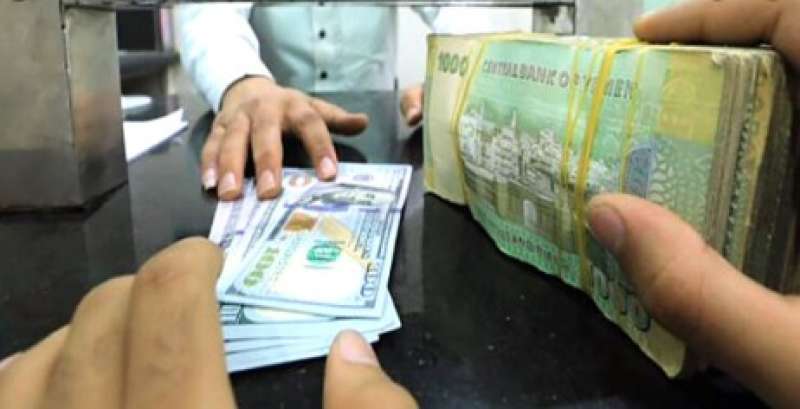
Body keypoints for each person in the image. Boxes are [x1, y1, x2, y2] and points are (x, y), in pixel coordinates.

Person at [1, 1, 798, 407]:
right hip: (268, 132)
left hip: (371, 138)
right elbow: (210, 13)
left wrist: (460, 69)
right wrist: (243, 82)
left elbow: (454, 8)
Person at [176, 4, 436, 201]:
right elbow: (209, 12)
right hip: (268, 139)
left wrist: (455, 71)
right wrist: (241, 80)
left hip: (376, 148)